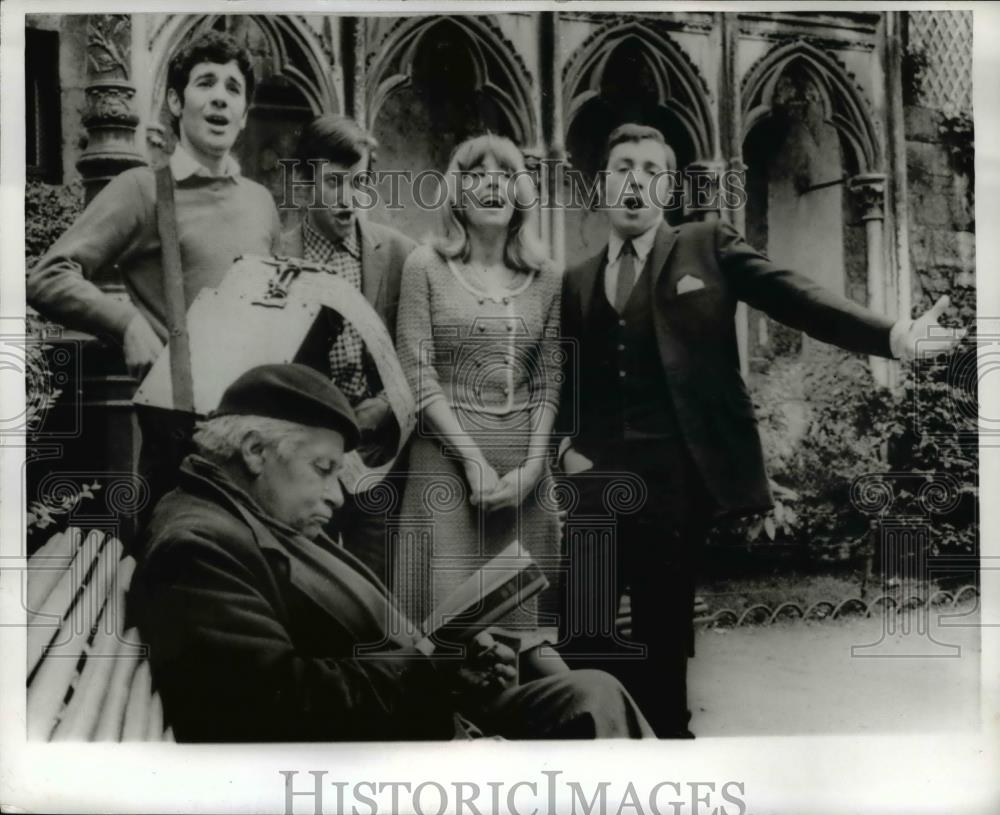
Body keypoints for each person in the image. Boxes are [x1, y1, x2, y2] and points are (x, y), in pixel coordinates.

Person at [556, 123, 966, 738]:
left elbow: (795, 298)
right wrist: (565, 448)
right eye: (621, 167)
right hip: (593, 482)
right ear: (603, 183)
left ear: (668, 186)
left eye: (649, 168)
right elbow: (566, 374)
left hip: (673, 481)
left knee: (662, 644)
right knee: (583, 636)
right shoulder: (578, 278)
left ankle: (668, 765)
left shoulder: (705, 245)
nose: (634, 180)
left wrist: (892, 336)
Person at [127, 363, 653, 741]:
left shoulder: (242, 515)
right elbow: (273, 703)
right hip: (375, 760)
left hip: (402, 722)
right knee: (593, 703)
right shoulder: (197, 547)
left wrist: (452, 655)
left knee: (591, 692)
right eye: (324, 469)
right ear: (255, 451)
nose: (338, 494)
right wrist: (435, 669)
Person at [27, 30, 281, 505]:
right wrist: (124, 323)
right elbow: (47, 275)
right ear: (175, 100)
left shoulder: (260, 202)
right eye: (206, 83)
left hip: (258, 435)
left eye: (233, 89)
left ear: (245, 115)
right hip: (183, 442)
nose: (220, 99)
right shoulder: (142, 189)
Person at [394, 135, 566, 680]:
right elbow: (416, 375)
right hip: (445, 469)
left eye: (504, 172)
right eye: (475, 173)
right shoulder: (425, 266)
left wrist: (534, 466)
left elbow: (548, 381)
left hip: (523, 480)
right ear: (456, 192)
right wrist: (470, 459)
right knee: (449, 636)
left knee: (523, 638)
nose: (491, 183)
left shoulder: (549, 277)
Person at [279, 114, 416, 579]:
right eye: (334, 183)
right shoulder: (276, 259)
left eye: (358, 184)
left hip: (378, 460)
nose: (348, 199)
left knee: (373, 591)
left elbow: (419, 353)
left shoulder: (398, 254)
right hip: (305, 463)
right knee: (310, 585)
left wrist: (383, 406)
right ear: (303, 180)